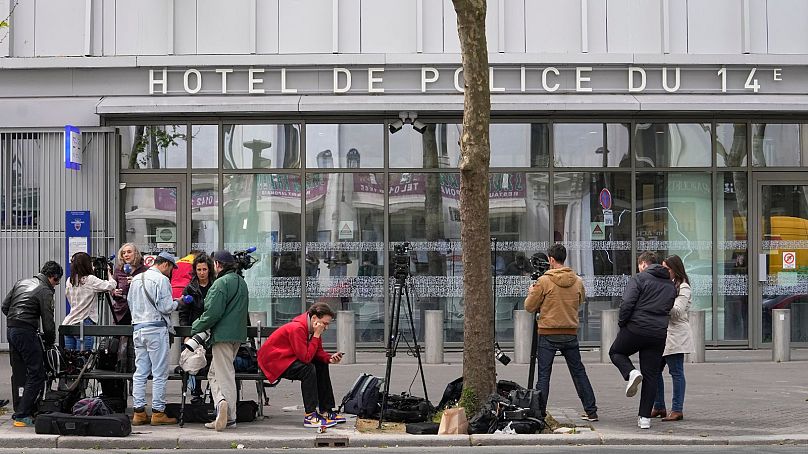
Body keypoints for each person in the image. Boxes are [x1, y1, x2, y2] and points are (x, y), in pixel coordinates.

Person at [524, 244, 598, 422]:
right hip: (570, 332)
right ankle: (591, 411)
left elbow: (529, 306)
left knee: (544, 375)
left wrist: (531, 292)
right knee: (579, 372)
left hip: (547, 333)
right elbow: (580, 301)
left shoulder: (544, 281)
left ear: (550, 259)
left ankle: (539, 413)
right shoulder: (577, 281)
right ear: (564, 258)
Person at [609, 251, 676, 430]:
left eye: (640, 265)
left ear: (644, 264)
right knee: (652, 375)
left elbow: (627, 303)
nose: (639, 268)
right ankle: (644, 418)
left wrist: (623, 323)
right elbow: (668, 307)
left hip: (636, 328)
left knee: (616, 352)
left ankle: (631, 373)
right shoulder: (670, 285)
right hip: (658, 334)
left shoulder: (639, 278)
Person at [257, 303, 345, 429]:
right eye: (325, 323)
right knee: (308, 369)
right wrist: (316, 335)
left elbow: (318, 352)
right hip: (274, 362)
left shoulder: (313, 328)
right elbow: (306, 358)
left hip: (287, 359)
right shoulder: (298, 328)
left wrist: (329, 358)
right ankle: (310, 416)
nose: (326, 327)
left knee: (321, 364)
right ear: (314, 318)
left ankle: (326, 410)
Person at [191, 250, 249, 431]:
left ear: (217, 264)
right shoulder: (241, 282)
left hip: (222, 336)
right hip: (237, 335)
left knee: (224, 375)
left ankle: (228, 414)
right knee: (214, 374)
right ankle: (221, 405)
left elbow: (212, 313)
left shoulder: (220, 284)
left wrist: (196, 326)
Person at [2, 261, 63, 427]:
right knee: (37, 373)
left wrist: (17, 320)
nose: (56, 285)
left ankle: (20, 406)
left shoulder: (21, 282)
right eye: (57, 282)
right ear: (53, 277)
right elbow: (48, 322)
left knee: (19, 370)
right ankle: (22, 415)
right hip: (26, 332)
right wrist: (50, 341)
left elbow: (5, 306)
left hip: (12, 329)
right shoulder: (45, 291)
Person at [128, 252, 179, 426]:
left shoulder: (136, 279)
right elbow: (165, 307)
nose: (170, 272)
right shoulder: (162, 280)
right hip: (156, 329)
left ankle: (139, 412)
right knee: (159, 373)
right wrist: (178, 303)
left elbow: (130, 303)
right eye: (171, 268)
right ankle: (158, 413)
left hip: (138, 329)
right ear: (165, 264)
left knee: (140, 372)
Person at [652, 254, 694, 422]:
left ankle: (677, 409)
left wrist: (661, 302)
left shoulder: (683, 287)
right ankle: (659, 406)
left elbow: (677, 312)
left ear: (675, 270)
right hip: (662, 334)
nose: (664, 271)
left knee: (676, 372)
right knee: (654, 371)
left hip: (676, 335)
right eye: (663, 268)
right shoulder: (666, 285)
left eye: (667, 269)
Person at [180, 253, 216, 403]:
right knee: (194, 361)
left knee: (211, 361)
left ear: (209, 270)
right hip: (195, 328)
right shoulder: (190, 288)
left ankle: (213, 392)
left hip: (212, 328)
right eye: (199, 269)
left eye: (204, 269)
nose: (202, 273)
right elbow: (183, 313)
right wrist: (186, 334)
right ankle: (195, 392)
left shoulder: (215, 285)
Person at [63, 252, 117, 351]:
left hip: (69, 323)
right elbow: (112, 285)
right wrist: (109, 272)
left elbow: (70, 300)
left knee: (70, 360)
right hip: (84, 323)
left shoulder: (70, 280)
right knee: (83, 358)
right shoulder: (90, 280)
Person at [111, 243, 149, 326]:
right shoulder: (119, 270)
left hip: (140, 312)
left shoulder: (146, 270)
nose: (126, 255)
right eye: (123, 253)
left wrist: (137, 282)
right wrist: (114, 292)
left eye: (129, 252)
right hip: (121, 312)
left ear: (136, 254)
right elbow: (113, 288)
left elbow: (150, 290)